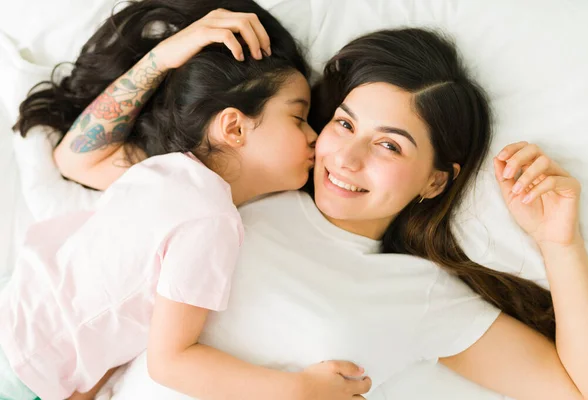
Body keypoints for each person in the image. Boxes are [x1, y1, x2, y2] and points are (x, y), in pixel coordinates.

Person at [12, 1, 588, 400]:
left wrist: (560, 244)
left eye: (389, 145)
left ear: (435, 182)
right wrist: (169, 55)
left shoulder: (418, 293)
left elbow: (583, 387)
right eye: (343, 123)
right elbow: (78, 157)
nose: (343, 157)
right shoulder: (242, 190)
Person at [0, 2, 374, 400]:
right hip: (25, 362)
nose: (314, 137)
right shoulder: (209, 218)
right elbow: (172, 361)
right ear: (233, 126)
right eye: (298, 119)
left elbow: (77, 159)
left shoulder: (167, 173)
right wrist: (300, 389)